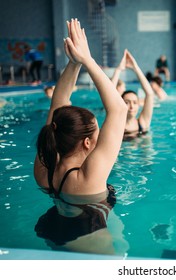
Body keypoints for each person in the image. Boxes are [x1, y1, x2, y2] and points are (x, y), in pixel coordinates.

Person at [34, 16, 127, 213]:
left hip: (54, 228)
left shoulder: (45, 168)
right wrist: (87, 59)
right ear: (87, 143)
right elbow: (119, 110)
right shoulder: (88, 178)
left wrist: (74, 62)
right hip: (90, 241)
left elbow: (57, 105)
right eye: (97, 130)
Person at [116, 50, 154, 140]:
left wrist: (135, 67)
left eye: (135, 102)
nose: (132, 106)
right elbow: (109, 92)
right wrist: (118, 70)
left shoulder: (143, 122)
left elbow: (149, 94)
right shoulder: (116, 124)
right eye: (127, 102)